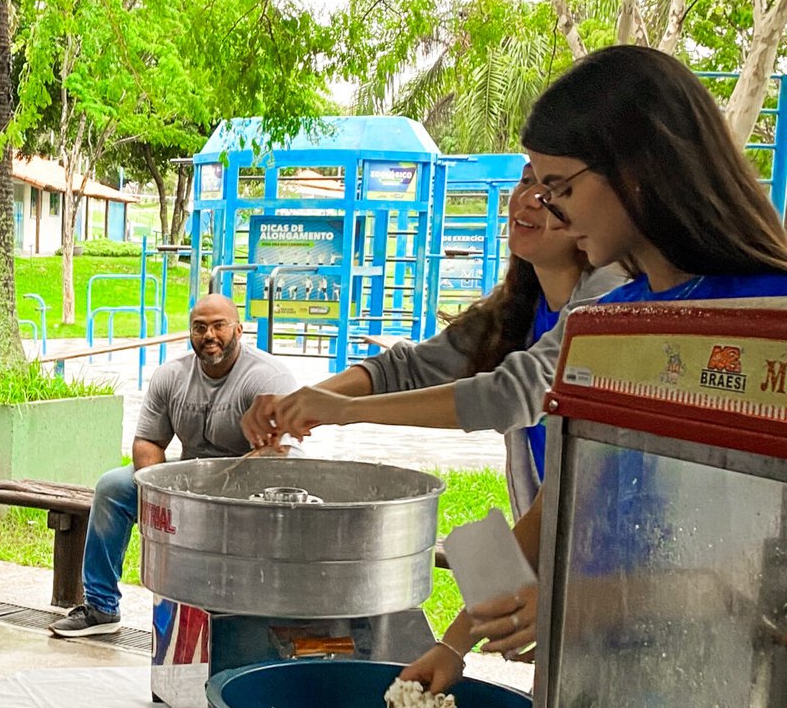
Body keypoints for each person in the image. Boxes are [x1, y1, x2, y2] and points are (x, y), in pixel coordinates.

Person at [407, 45, 787, 691]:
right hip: (600, 689)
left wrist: (583, 603)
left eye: (560, 187)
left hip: (727, 692)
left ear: (637, 170)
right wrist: (455, 640)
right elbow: (565, 497)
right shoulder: (605, 326)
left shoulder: (764, 321)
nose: (551, 212)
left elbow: (752, 569)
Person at [239, 164, 626, 517]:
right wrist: (299, 403)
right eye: (526, 180)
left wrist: (346, 410)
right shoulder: (519, 310)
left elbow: (512, 395)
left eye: (551, 190)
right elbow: (409, 368)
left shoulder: (616, 297)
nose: (528, 199)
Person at [51, 293, 293, 639]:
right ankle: (101, 607)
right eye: (199, 327)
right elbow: (147, 443)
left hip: (253, 485)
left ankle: (245, 620)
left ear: (239, 330)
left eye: (219, 326)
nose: (209, 335)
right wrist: (162, 494)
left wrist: (215, 489)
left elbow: (278, 453)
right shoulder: (171, 376)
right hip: (189, 476)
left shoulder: (267, 378)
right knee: (113, 487)